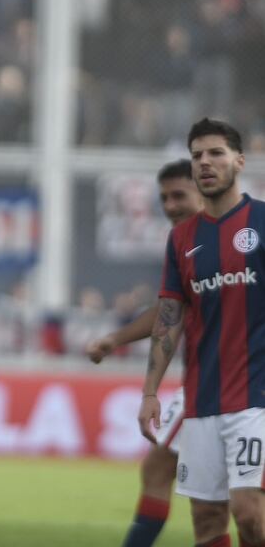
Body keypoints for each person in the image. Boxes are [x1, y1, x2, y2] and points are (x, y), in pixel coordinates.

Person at [139, 118, 265, 547]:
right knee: (207, 522)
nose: (205, 163)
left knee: (249, 515)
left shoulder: (262, 222)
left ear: (239, 161)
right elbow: (169, 317)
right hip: (201, 402)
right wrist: (150, 392)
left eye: (215, 153)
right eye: (197, 156)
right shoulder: (181, 239)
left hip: (256, 400)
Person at [86, 159, 213, 547]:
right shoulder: (185, 244)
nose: (170, 206)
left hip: (225, 381)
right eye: (164, 199)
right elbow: (171, 308)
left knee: (221, 503)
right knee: (210, 498)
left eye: (179, 195)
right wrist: (116, 339)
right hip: (213, 380)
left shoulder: (223, 240)